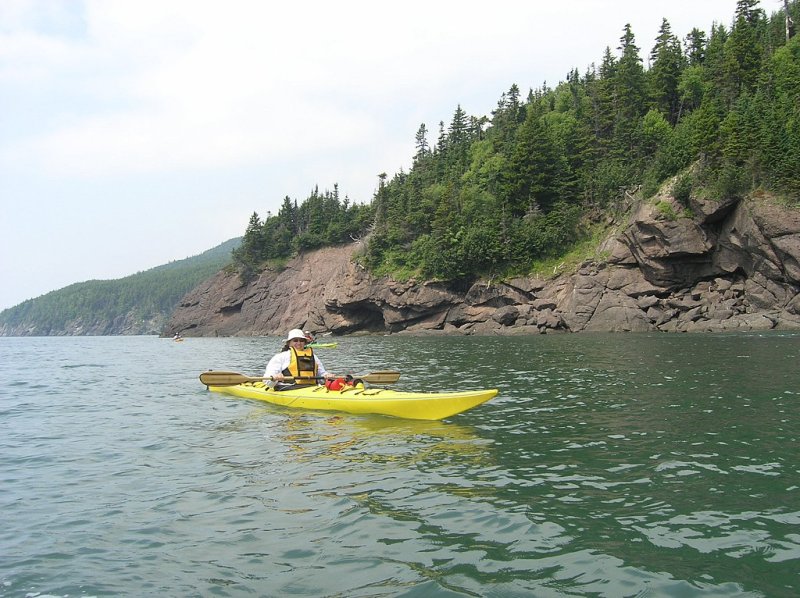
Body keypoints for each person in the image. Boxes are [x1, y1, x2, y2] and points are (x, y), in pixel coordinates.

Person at [264, 328, 333, 390]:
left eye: (301, 340)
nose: (299, 343)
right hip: (289, 388)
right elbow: (267, 381)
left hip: (312, 387)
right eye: (295, 340)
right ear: (289, 343)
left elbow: (322, 375)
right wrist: (274, 378)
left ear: (305, 343)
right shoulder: (281, 357)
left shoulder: (313, 357)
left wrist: (327, 376)